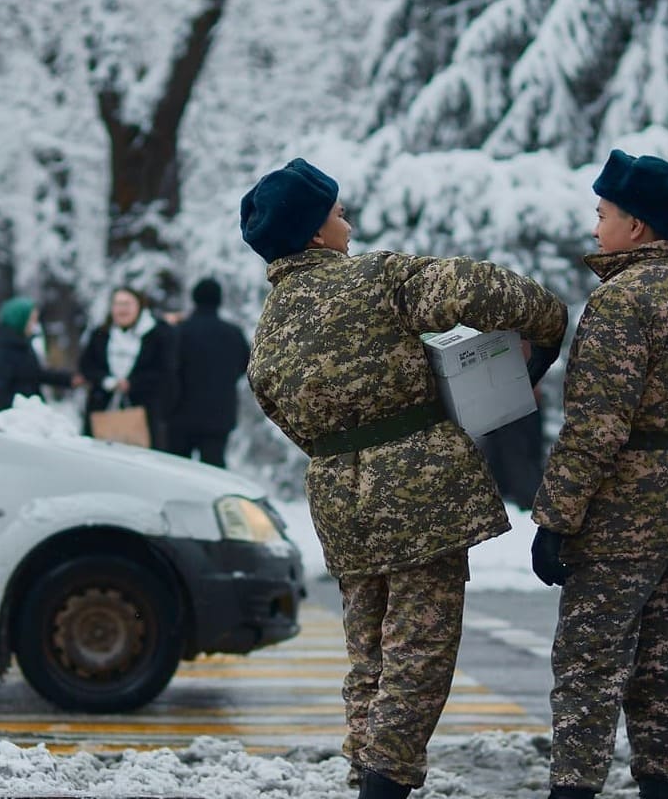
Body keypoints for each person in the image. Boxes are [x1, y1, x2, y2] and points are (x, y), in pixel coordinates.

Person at [242, 158, 568, 799]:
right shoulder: (377, 278)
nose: (349, 222)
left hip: (341, 502)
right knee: (419, 653)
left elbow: (289, 420)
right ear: (313, 233)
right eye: (337, 214)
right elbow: (480, 287)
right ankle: (385, 786)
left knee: (369, 655)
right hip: (420, 495)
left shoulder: (269, 331)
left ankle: (367, 772)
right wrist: (549, 329)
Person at [529, 150, 668, 799]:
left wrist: (554, 521)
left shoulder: (620, 304)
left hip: (619, 517)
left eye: (603, 213)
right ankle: (663, 788)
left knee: (587, 668)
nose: (595, 228)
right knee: (663, 669)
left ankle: (573, 790)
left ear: (636, 226)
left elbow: (595, 427)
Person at [79, 286, 178, 449]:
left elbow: (165, 371)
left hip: (143, 411)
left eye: (127, 304)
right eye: (118, 304)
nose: (122, 310)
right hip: (102, 408)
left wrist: (133, 383)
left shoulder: (157, 334)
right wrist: (107, 381)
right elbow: (86, 365)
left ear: (139, 306)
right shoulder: (101, 334)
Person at [167, 277, 250, 467]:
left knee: (178, 469)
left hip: (181, 412)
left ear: (194, 299)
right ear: (219, 300)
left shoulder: (180, 331)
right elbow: (246, 365)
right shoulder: (233, 333)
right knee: (214, 470)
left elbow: (169, 367)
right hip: (219, 414)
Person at [474, 339, 547, 511]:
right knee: (502, 452)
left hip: (519, 398)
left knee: (521, 453)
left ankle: (532, 503)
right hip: (504, 398)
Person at [0, 296, 82, 412]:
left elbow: (35, 374)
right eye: (31, 320)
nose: (34, 325)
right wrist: (24, 410)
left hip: (32, 415)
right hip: (20, 421)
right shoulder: (5, 349)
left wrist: (67, 379)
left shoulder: (22, 344)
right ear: (19, 319)